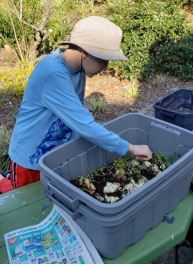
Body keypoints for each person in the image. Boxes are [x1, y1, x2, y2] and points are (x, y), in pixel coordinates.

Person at [0, 16, 152, 193]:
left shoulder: (77, 68)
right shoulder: (53, 73)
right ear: (85, 52)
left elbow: (78, 112)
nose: (106, 67)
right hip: (30, 156)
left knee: (48, 196)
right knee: (24, 197)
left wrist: (103, 132)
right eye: (104, 60)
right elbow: (83, 124)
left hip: (54, 151)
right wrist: (130, 148)